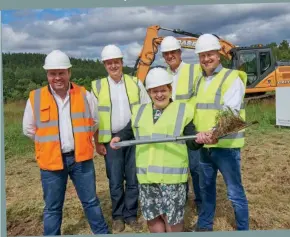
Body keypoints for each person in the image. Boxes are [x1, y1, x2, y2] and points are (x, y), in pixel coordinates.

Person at [109, 67, 217, 233]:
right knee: (152, 218)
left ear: (170, 90)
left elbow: (191, 141)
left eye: (163, 90)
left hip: (171, 180)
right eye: (154, 91)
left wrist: (200, 139)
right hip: (146, 179)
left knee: (172, 220)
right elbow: (130, 129)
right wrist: (119, 136)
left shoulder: (182, 111)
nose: (159, 95)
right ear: (149, 92)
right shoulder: (140, 111)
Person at [22, 50, 109, 235]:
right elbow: (28, 129)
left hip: (81, 160)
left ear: (69, 72)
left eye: (61, 72)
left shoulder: (85, 95)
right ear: (47, 74)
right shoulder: (35, 98)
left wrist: (83, 139)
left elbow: (94, 122)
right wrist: (48, 146)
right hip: (51, 163)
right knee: (52, 208)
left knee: (91, 202)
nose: (57, 77)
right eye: (53, 73)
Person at [191, 34, 249, 231]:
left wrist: (214, 133)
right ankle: (205, 225)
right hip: (205, 146)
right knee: (206, 189)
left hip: (226, 147)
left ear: (218, 54)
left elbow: (231, 114)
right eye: (202, 55)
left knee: (234, 191)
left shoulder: (231, 78)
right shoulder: (200, 81)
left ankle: (243, 228)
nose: (206, 59)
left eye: (210, 54)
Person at [90, 44, 151, 233]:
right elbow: (93, 118)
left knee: (133, 179)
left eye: (116, 62)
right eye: (109, 63)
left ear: (122, 62)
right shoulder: (97, 86)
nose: (113, 66)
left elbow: (146, 109)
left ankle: (130, 214)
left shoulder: (135, 83)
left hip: (133, 139)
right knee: (115, 181)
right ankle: (117, 216)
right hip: (111, 142)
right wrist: (98, 142)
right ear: (104, 65)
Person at [160, 36, 203, 213]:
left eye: (173, 52)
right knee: (178, 165)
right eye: (166, 54)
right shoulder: (164, 75)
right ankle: (182, 197)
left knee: (196, 167)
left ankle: (200, 201)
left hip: (190, 126)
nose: (170, 56)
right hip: (172, 128)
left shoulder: (194, 70)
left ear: (180, 52)